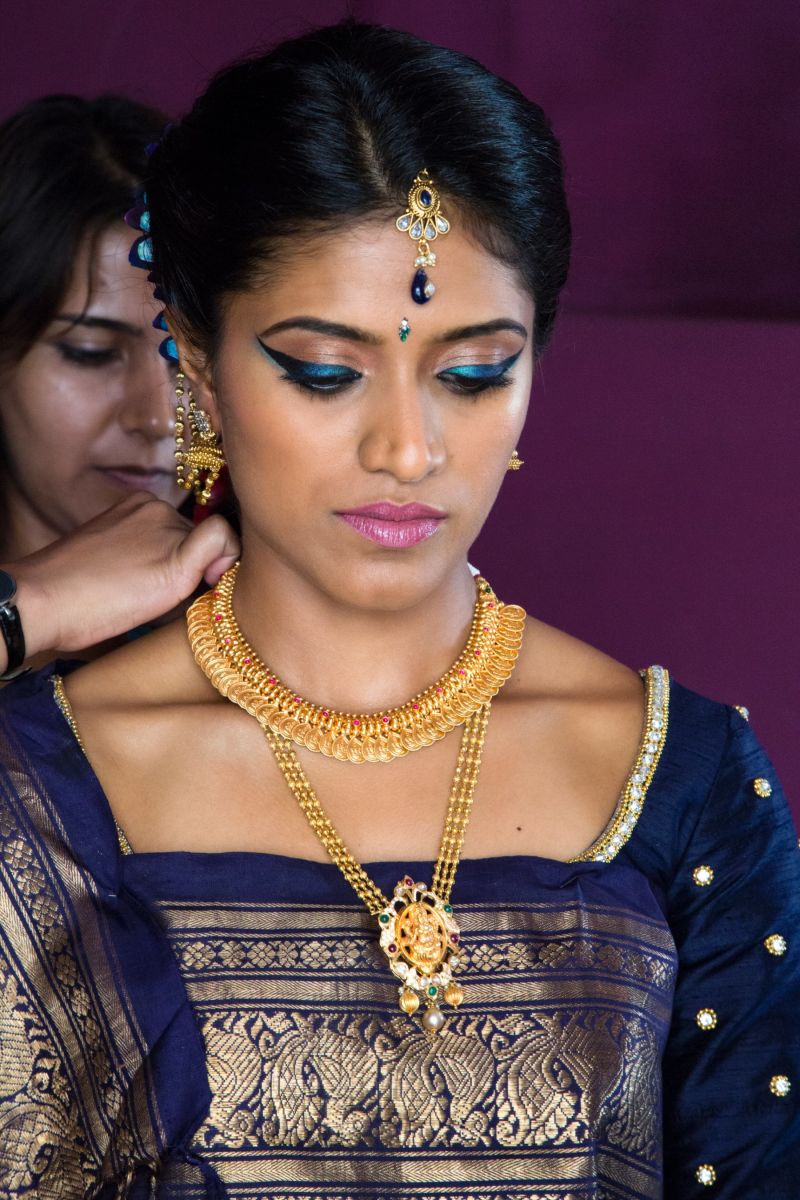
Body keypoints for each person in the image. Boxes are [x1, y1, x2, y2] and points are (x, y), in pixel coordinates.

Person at [0, 21, 797, 1199]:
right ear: (199, 371)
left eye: (474, 373)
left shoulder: (679, 777)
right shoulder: (38, 781)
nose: (409, 449)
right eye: (324, 371)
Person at [0, 94, 239, 676]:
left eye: (187, 361)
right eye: (92, 353)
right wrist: (34, 606)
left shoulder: (265, 662)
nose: (157, 418)